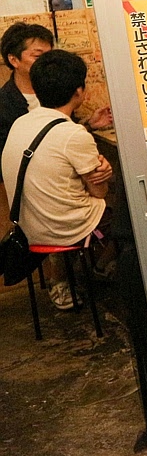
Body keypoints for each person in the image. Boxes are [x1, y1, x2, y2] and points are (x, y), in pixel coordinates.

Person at [1, 50, 112, 310]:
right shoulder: (75, 135)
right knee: (128, 213)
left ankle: (79, 275)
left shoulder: (21, 123)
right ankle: (102, 268)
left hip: (28, 226)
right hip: (62, 230)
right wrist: (105, 174)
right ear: (79, 91)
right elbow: (99, 192)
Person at [0, 21, 112, 153]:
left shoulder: (57, 87)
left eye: (49, 55)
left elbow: (60, 134)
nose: (47, 62)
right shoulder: (4, 104)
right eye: (38, 56)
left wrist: (89, 125)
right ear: (14, 60)